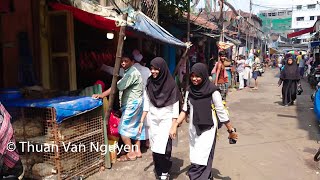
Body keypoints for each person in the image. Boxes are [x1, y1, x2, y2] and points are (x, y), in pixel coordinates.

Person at [170, 63, 238, 180]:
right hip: (193, 128)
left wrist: (230, 129)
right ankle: (206, 176)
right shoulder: (189, 90)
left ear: (204, 76)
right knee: (196, 157)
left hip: (208, 130)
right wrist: (175, 125)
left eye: (198, 76)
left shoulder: (213, 91)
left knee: (202, 158)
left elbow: (221, 112)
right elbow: (185, 110)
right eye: (192, 76)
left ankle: (200, 177)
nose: (194, 79)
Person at [92, 54, 145, 161]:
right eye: (122, 61)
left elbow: (117, 87)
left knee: (122, 129)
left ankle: (131, 153)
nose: (123, 63)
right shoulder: (131, 72)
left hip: (132, 104)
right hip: (137, 103)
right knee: (135, 127)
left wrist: (102, 95)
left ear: (132, 61)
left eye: (126, 61)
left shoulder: (131, 73)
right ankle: (137, 151)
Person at [138, 57, 181, 180]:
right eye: (151, 68)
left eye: (156, 69)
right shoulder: (150, 83)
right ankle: (159, 169)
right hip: (153, 119)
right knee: (155, 147)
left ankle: (165, 171)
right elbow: (146, 102)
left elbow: (175, 106)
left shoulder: (171, 84)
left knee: (165, 147)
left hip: (166, 120)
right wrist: (141, 121)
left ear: (162, 69)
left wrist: (174, 125)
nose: (153, 71)